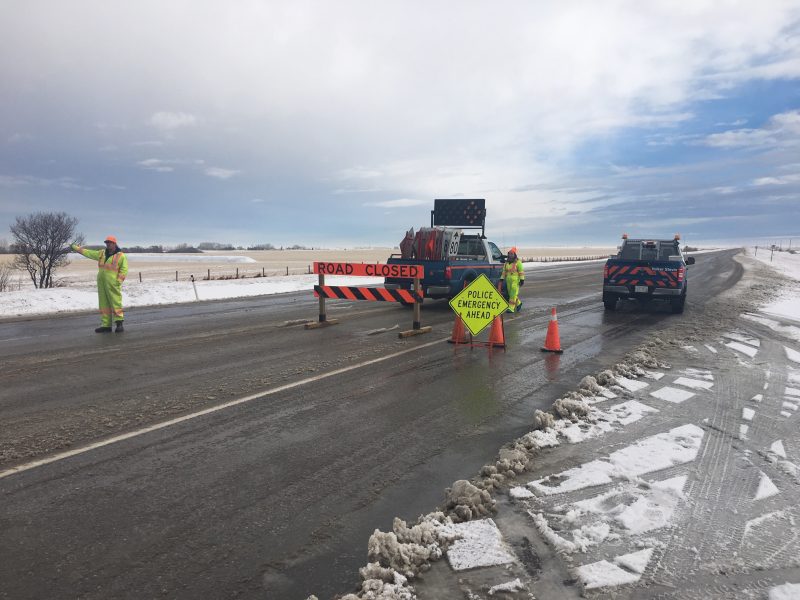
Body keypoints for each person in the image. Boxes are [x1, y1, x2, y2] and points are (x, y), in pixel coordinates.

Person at [71, 236, 128, 333]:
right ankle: (106, 325)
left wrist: (118, 281)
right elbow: (88, 253)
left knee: (115, 303)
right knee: (104, 304)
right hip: (101, 283)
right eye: (107, 243)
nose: (108, 244)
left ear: (114, 243)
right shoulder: (101, 253)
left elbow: (124, 269)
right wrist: (76, 248)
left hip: (113, 283)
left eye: (110, 243)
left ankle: (119, 323)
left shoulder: (120, 255)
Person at [502, 246, 525, 312]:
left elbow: (521, 272)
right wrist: (502, 278)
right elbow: (504, 271)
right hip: (508, 280)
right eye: (509, 254)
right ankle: (519, 303)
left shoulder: (518, 262)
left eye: (512, 254)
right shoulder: (506, 263)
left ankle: (511, 308)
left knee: (512, 294)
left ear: (514, 255)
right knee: (511, 294)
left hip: (515, 281)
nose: (510, 255)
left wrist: (522, 280)